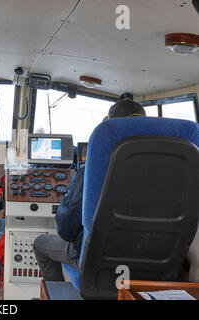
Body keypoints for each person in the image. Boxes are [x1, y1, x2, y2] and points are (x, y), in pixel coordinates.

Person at [33, 93, 147, 281]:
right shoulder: (177, 170)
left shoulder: (92, 170)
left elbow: (67, 230)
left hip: (97, 262)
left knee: (40, 244)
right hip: (153, 261)